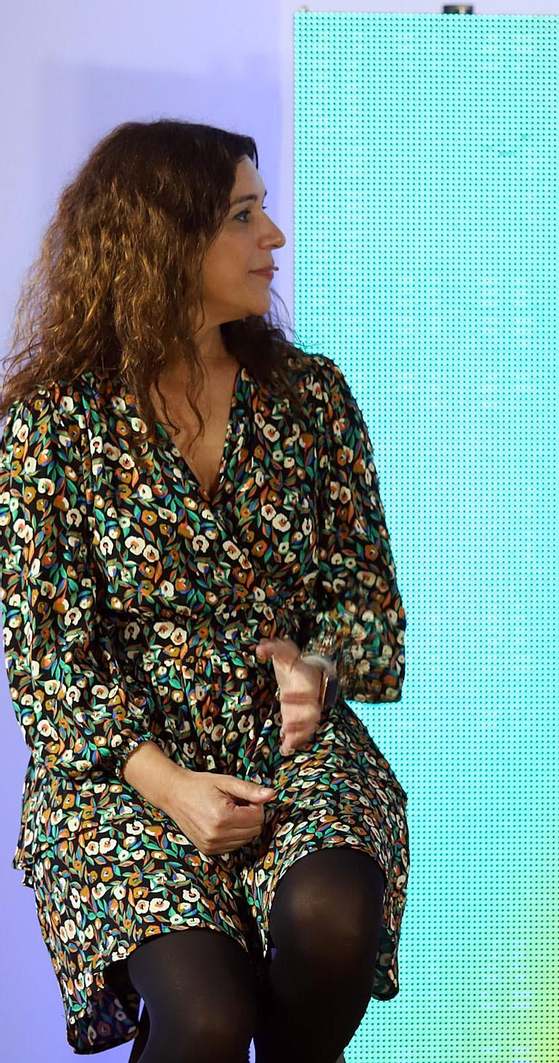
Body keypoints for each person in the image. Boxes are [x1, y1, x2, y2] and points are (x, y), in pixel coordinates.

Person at [0, 120, 408, 1062]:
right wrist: (171, 784)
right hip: (122, 779)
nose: (274, 236)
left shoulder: (312, 398)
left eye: (264, 209)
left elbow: (374, 610)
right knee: (209, 1016)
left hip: (290, 755)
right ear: (164, 241)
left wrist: (319, 663)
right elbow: (48, 660)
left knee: (332, 918)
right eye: (244, 214)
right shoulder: (52, 426)